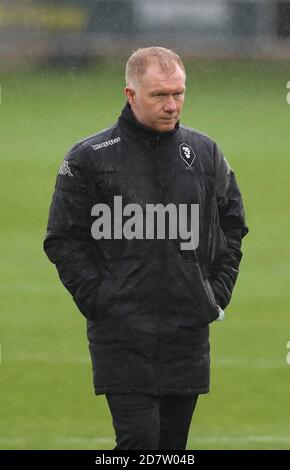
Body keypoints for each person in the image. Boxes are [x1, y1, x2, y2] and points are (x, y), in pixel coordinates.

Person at [43, 46, 248, 450]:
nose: (172, 105)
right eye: (160, 95)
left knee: (171, 449)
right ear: (130, 94)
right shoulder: (89, 158)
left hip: (186, 333)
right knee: (138, 444)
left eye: (179, 93)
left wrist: (214, 295)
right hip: (122, 335)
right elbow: (63, 238)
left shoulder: (205, 154)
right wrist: (100, 298)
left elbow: (234, 226)